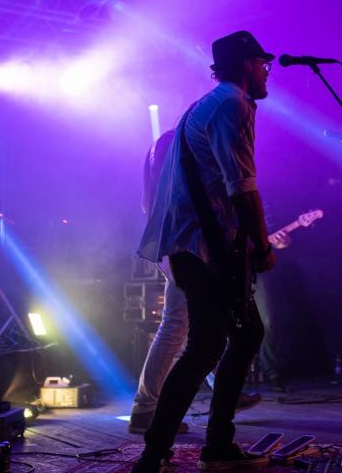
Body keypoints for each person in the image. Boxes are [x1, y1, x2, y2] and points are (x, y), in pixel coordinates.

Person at [132, 31, 277, 473]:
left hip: (196, 245)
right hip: (204, 247)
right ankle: (173, 450)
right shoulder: (232, 104)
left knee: (229, 339)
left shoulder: (205, 105)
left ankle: (201, 445)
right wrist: (263, 245)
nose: (266, 71)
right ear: (246, 64)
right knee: (206, 347)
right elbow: (241, 187)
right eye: (262, 63)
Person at [129, 129, 261, 435]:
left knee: (198, 326)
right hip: (189, 249)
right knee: (179, 327)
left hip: (179, 247)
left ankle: (216, 391)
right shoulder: (181, 149)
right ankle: (145, 409)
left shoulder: (162, 150)